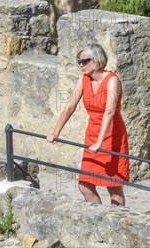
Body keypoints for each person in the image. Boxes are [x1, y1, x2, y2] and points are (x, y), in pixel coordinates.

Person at [47, 43, 129, 206]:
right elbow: (70, 106)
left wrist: (100, 141)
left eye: (85, 61)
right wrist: (56, 132)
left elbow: (109, 111)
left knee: (113, 186)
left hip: (112, 135)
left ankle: (116, 223)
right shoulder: (84, 79)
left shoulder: (112, 80)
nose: (81, 65)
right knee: (85, 185)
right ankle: (99, 219)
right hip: (92, 133)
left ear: (97, 60)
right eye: (80, 62)